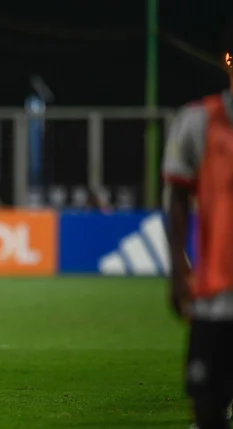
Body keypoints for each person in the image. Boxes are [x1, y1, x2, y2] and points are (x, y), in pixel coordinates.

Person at [162, 51, 233, 429]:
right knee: (207, 409)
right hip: (215, 298)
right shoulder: (198, 120)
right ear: (228, 62)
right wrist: (177, 269)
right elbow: (175, 197)